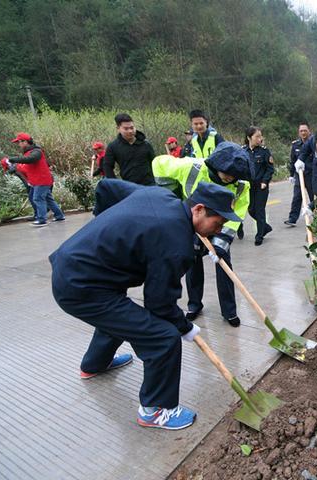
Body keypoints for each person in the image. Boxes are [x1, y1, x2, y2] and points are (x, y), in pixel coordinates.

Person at [50, 179, 239, 430]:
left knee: (120, 315)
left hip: (76, 265)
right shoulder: (176, 242)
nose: (218, 230)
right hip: (83, 287)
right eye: (218, 223)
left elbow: (106, 187)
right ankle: (155, 409)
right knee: (163, 338)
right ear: (199, 209)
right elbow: (159, 304)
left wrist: (104, 225)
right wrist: (184, 327)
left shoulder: (159, 195)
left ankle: (94, 364)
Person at [152, 142, 251, 327]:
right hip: (193, 221)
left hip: (219, 226)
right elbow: (158, 163)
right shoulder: (191, 167)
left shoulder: (241, 185)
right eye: (227, 174)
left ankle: (229, 311)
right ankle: (194, 305)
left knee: (223, 264)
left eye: (234, 176)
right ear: (217, 165)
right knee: (192, 262)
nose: (230, 179)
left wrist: (221, 243)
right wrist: (171, 195)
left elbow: (237, 213)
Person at [6, 132, 65, 227]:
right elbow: (26, 165)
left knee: (37, 198)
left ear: (25, 142)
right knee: (48, 199)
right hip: (38, 181)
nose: (19, 145)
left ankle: (41, 220)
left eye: (19, 142)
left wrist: (15, 159)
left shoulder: (36, 151)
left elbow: (31, 159)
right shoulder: (28, 153)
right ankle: (59, 215)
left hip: (42, 180)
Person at [103, 113, 156, 185]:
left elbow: (154, 163)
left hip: (150, 185)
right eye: (126, 129)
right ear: (118, 128)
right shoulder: (113, 147)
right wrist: (116, 185)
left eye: (132, 127)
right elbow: (107, 167)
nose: (130, 131)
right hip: (129, 187)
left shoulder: (146, 144)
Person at [243, 126, 275, 245]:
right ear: (249, 138)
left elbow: (270, 168)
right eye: (257, 136)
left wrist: (265, 181)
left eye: (260, 136)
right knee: (251, 209)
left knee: (260, 210)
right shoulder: (243, 151)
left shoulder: (264, 151)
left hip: (261, 185)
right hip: (249, 186)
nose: (260, 138)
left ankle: (259, 235)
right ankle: (265, 227)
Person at [284, 123, 312, 227]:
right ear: (299, 132)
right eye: (301, 131)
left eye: (305, 130)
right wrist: (291, 175)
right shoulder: (295, 145)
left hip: (310, 174)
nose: (303, 133)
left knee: (313, 197)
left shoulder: (313, 143)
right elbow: (293, 160)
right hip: (299, 175)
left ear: (309, 131)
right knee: (297, 197)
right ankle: (292, 219)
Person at [1, 156, 37, 221]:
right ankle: (42, 212)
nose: (8, 170)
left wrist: (29, 187)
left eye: (7, 168)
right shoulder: (19, 164)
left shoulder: (17, 169)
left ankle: (38, 215)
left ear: (9, 165)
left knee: (32, 198)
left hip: (32, 183)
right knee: (42, 198)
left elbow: (25, 178)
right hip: (35, 182)